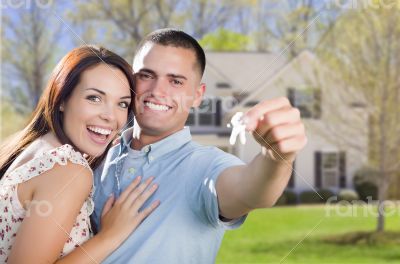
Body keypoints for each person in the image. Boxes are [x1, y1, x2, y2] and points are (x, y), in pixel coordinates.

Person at [92, 28, 307, 263]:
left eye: (175, 81)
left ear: (197, 95)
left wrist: (276, 158)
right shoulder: (98, 154)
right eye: (146, 75)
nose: (157, 91)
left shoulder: (206, 165)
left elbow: (251, 191)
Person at [0, 45, 159, 263]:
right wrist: (109, 237)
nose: (110, 117)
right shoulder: (68, 169)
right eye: (94, 98)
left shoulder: (33, 149)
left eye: (122, 104)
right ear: (62, 99)